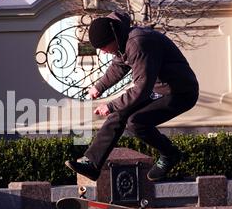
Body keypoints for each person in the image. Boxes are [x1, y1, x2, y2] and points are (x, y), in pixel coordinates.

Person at [65, 11, 199, 182]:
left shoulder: (138, 43)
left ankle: (170, 154)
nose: (104, 52)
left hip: (181, 92)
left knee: (136, 121)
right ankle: (92, 164)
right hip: (159, 90)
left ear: (113, 36)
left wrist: (111, 105)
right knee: (119, 115)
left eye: (104, 47)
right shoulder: (122, 39)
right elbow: (118, 67)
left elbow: (141, 89)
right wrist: (99, 87)